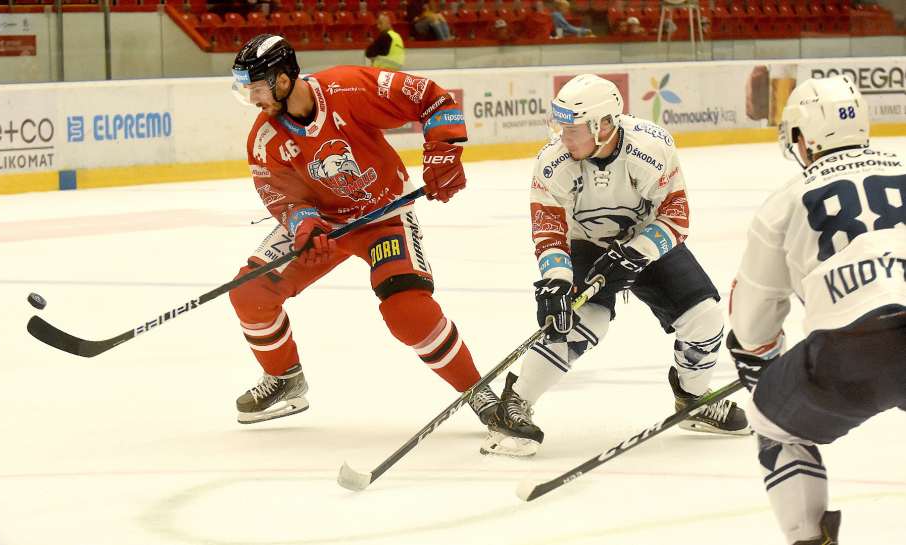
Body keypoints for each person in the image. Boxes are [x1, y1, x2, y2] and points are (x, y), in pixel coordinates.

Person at [228, 34, 499, 426]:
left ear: (282, 81)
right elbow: (278, 194)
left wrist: (444, 151)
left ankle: (481, 393)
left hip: (382, 217)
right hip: (325, 225)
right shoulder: (265, 137)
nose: (252, 100)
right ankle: (284, 376)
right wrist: (303, 225)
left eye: (255, 89)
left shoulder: (349, 86)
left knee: (407, 312)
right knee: (249, 292)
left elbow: (433, 98)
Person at [480, 74, 749, 458]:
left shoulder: (651, 147)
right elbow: (550, 229)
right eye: (560, 127)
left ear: (603, 124)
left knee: (705, 316)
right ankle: (515, 403)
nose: (563, 137)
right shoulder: (553, 162)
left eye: (572, 129)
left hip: (645, 237)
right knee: (584, 319)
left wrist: (638, 251)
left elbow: (676, 213)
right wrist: (556, 280)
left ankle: (693, 399)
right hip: (585, 243)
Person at [728, 75, 905, 544]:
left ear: (804, 138)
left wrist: (764, 370)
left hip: (853, 351)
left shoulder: (785, 202)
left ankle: (809, 539)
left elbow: (751, 330)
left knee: (774, 427)